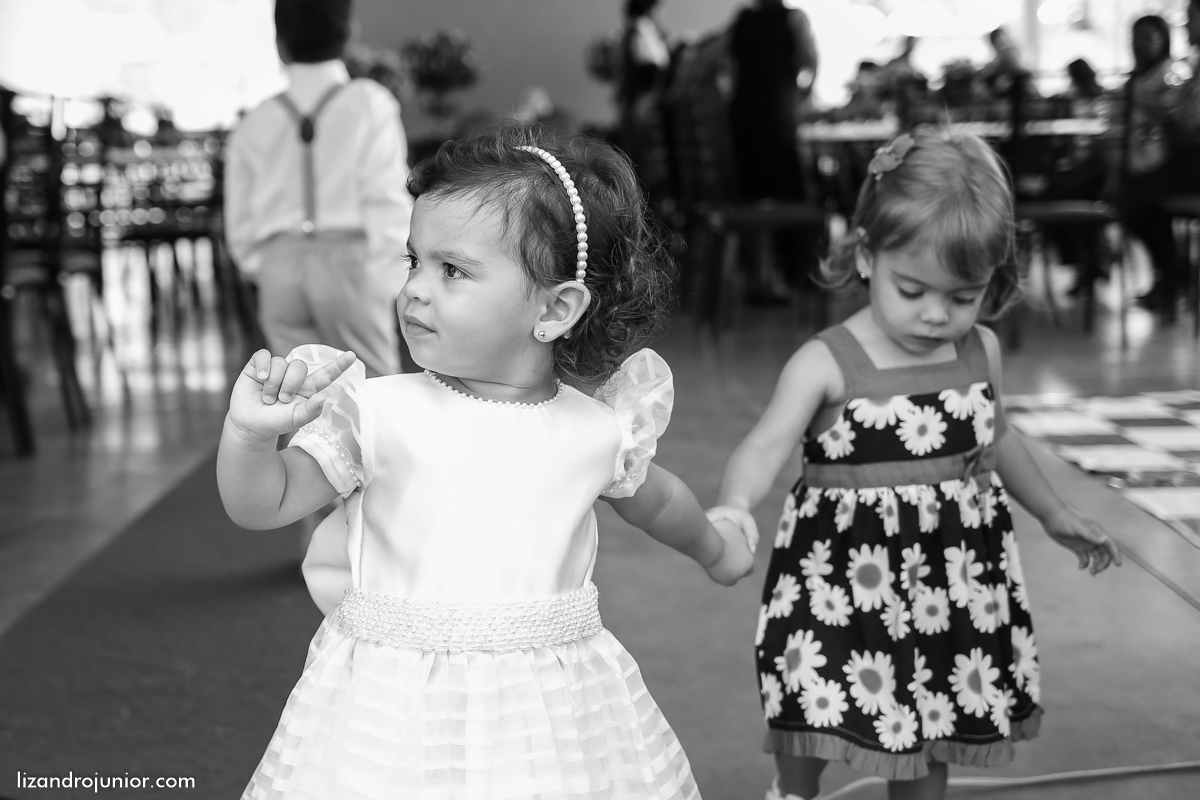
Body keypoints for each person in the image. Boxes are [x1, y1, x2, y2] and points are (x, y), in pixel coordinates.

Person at [217, 124, 756, 798]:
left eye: (452, 270)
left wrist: (716, 548)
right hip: (389, 712)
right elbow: (261, 504)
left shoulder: (593, 430)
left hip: (549, 718)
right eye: (412, 261)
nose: (414, 289)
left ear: (555, 308)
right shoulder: (378, 412)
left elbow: (660, 502)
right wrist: (247, 435)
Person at [709, 130, 1122, 800]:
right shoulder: (827, 361)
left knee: (934, 714)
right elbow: (765, 444)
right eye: (913, 290)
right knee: (817, 700)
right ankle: (793, 791)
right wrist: (732, 509)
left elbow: (1001, 437)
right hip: (841, 584)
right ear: (868, 256)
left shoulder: (978, 350)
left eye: (963, 297)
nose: (937, 315)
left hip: (949, 585)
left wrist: (1055, 512)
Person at [224, 0, 412, 378]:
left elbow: (239, 220)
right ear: (349, 35)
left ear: (279, 44)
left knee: (297, 393)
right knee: (371, 390)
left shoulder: (255, 122)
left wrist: (264, 265)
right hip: (351, 262)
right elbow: (385, 196)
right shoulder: (369, 103)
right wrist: (392, 278)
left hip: (279, 266)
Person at [728, 0, 820, 294]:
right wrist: (800, 96)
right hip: (778, 122)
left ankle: (761, 274)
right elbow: (810, 62)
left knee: (752, 193)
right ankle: (792, 275)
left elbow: (718, 61)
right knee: (793, 191)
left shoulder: (741, 21)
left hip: (742, 121)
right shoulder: (794, 19)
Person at [1112, 10, 1200, 315]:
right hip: (1177, 161)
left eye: (1192, 19)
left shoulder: (1174, 73)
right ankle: (1174, 274)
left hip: (1190, 163)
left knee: (1134, 197)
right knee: (1137, 197)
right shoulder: (1187, 68)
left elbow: (1188, 123)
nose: (1187, 26)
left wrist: (1168, 113)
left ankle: (1175, 274)